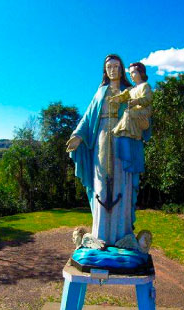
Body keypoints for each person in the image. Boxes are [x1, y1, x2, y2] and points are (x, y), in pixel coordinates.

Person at [66, 54, 151, 245]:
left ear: (122, 70)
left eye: (116, 66)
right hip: (102, 139)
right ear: (105, 70)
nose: (113, 69)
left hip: (124, 139)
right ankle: (101, 234)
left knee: (123, 183)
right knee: (101, 182)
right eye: (109, 67)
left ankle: (122, 235)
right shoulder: (101, 92)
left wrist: (142, 119)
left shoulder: (131, 90)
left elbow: (144, 112)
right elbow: (88, 117)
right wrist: (78, 136)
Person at [111, 62, 152, 140]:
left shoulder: (145, 86)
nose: (130, 75)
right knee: (128, 112)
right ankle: (123, 131)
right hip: (134, 111)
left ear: (140, 73)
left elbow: (148, 99)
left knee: (128, 113)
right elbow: (123, 96)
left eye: (133, 72)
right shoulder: (131, 89)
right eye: (129, 73)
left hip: (144, 111)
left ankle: (126, 132)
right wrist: (114, 99)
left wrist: (136, 101)